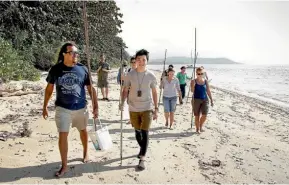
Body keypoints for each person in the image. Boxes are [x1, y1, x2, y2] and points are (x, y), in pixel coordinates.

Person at [42, 42, 98, 177]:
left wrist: (96, 106)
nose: (75, 55)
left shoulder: (83, 69)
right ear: (64, 54)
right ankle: (64, 165)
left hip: (81, 108)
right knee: (63, 135)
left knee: (83, 131)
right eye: (72, 52)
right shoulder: (56, 69)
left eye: (76, 53)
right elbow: (49, 89)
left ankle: (85, 152)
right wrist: (44, 106)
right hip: (63, 108)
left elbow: (91, 89)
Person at [120, 49, 158, 170]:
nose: (141, 62)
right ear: (135, 60)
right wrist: (121, 102)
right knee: (137, 132)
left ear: (147, 61)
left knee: (145, 132)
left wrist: (156, 108)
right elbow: (125, 89)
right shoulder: (130, 74)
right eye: (139, 59)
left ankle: (142, 158)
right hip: (133, 107)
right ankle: (142, 149)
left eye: (143, 60)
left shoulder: (151, 75)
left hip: (147, 107)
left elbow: (154, 92)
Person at [191, 67, 213, 134]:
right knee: (197, 115)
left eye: (201, 73)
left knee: (204, 115)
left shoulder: (205, 81)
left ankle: (200, 126)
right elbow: (192, 91)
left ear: (203, 73)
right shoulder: (193, 81)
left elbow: (208, 91)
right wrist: (193, 86)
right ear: (196, 74)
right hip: (196, 100)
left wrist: (211, 99)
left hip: (205, 99)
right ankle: (197, 129)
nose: (200, 75)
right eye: (198, 73)